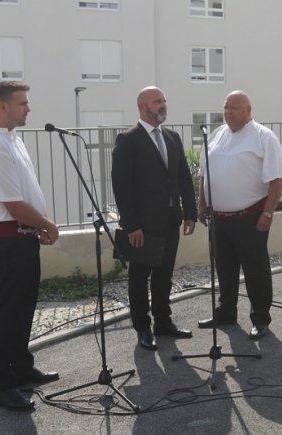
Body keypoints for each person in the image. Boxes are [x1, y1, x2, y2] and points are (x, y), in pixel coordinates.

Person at [0, 81, 60, 411]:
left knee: (23, 308)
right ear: (3, 106)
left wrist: (40, 224)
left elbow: (25, 194)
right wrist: (47, 225)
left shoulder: (11, 139)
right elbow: (12, 204)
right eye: (23, 103)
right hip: (6, 242)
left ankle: (21, 368)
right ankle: (4, 384)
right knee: (8, 313)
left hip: (22, 237)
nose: (28, 108)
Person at [111, 86, 197, 351]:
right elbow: (121, 187)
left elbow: (183, 178)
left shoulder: (172, 137)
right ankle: (142, 328)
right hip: (143, 226)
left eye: (164, 101)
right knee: (139, 278)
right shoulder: (128, 140)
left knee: (164, 275)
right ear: (142, 107)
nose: (163, 105)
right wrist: (131, 225)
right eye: (157, 102)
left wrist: (190, 213)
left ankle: (163, 322)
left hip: (171, 220)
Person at [196, 90, 282, 340]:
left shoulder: (263, 137)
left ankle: (260, 318)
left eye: (233, 107)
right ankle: (226, 312)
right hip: (219, 219)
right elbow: (203, 173)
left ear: (248, 110)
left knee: (255, 270)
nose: (228, 112)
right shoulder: (217, 135)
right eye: (226, 107)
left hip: (250, 217)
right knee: (224, 268)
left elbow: (278, 179)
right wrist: (201, 204)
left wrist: (268, 213)